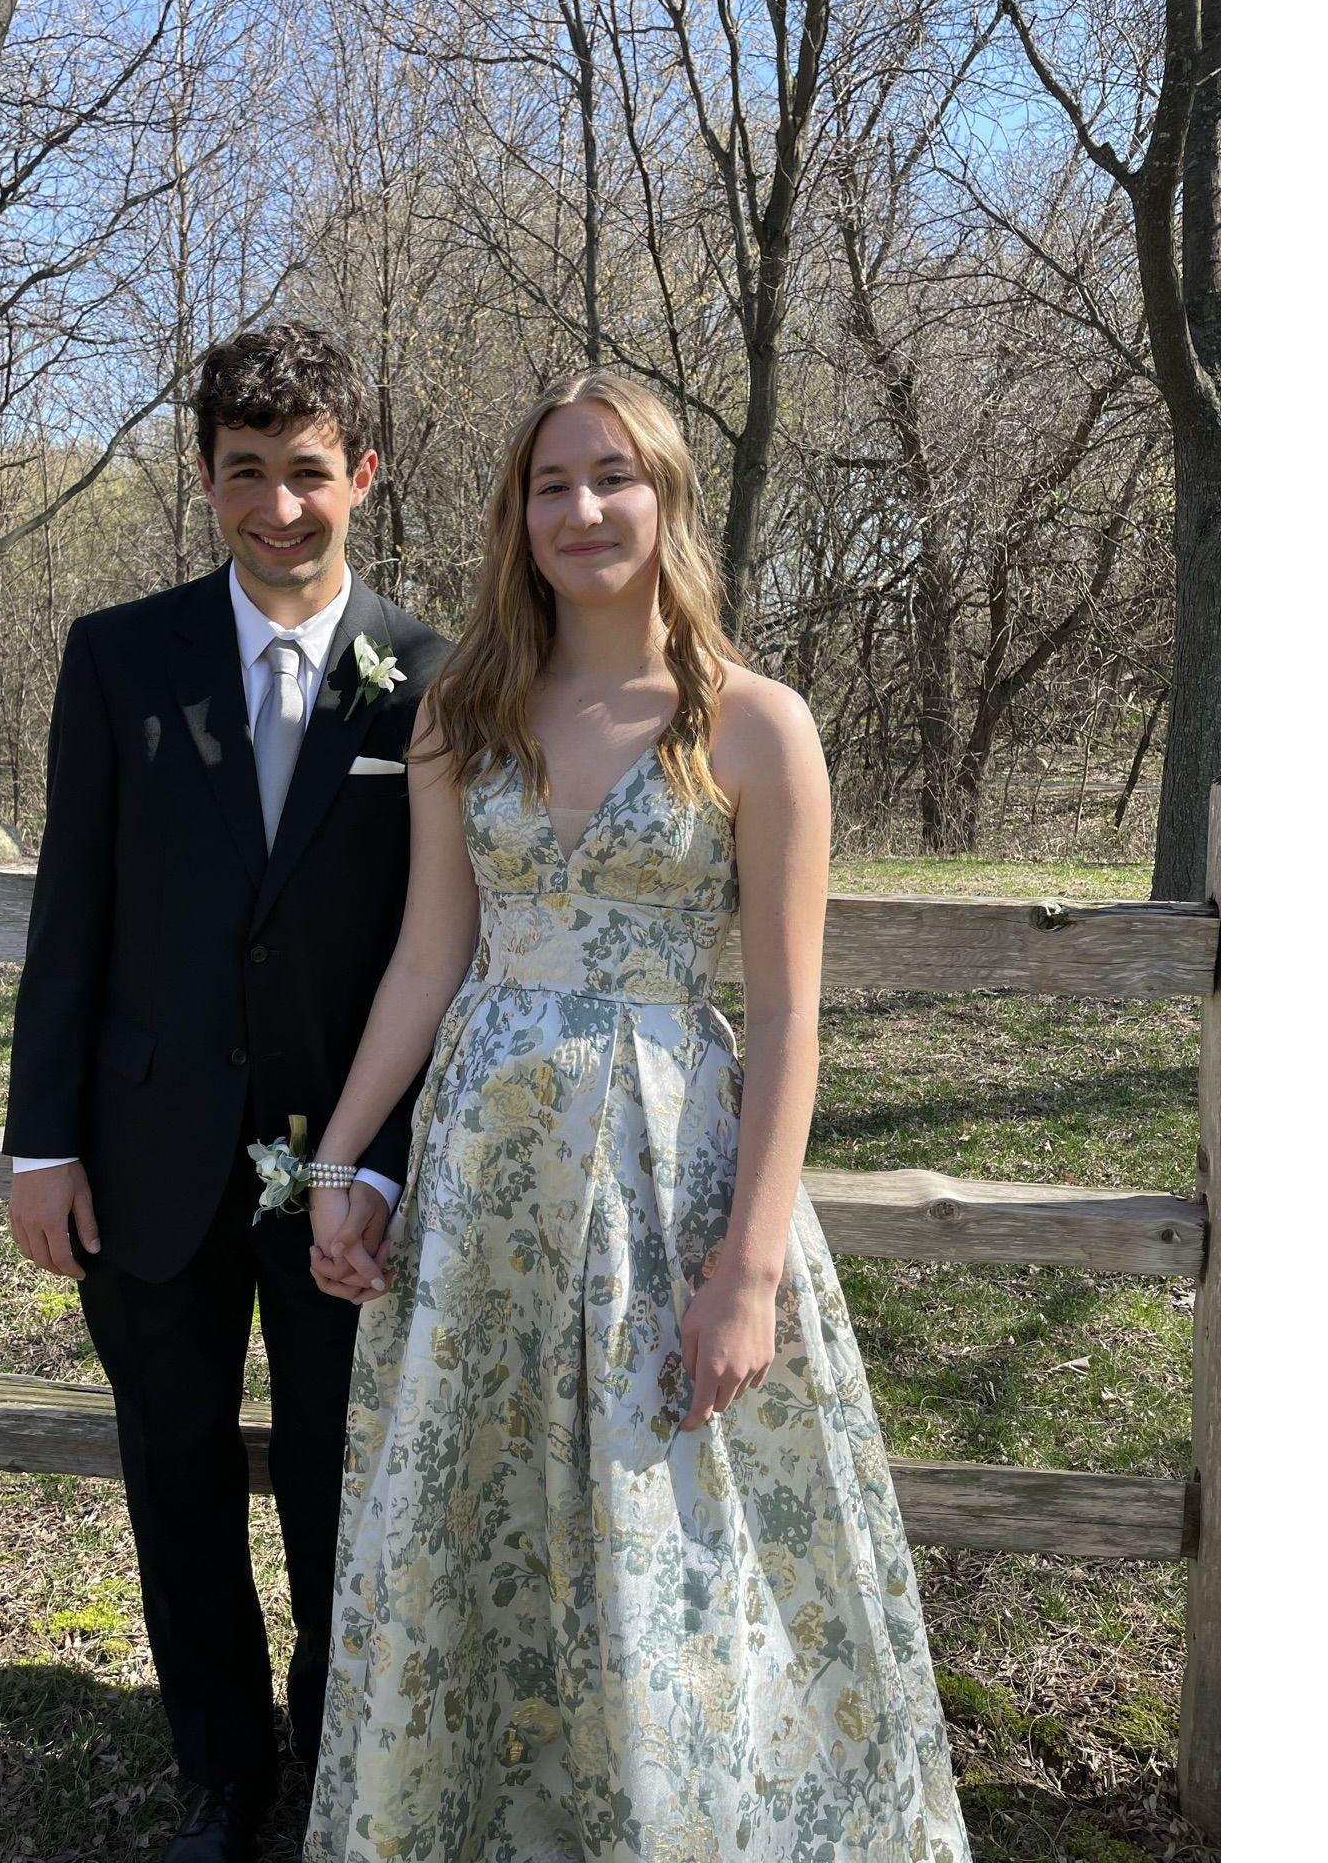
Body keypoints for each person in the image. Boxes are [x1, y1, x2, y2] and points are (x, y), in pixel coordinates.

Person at [297, 372, 973, 1860]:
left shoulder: (754, 725)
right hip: (486, 1180)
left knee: (673, 1515)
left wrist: (749, 1271)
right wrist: (344, 1160)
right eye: (551, 484)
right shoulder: (460, 716)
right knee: (486, 1503)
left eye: (613, 478)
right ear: (516, 516)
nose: (581, 509)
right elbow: (429, 956)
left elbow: (792, 1014)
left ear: (665, 498)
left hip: (674, 1174)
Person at [1, 322, 453, 1863]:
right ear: (206, 479)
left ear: (363, 475)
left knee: (344, 1486)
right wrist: (44, 1141)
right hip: (145, 1158)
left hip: (349, 1174)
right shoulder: (118, 658)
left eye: (309, 474)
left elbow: (446, 946)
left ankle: (337, 1756)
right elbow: (74, 911)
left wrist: (379, 1156)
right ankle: (220, 1770)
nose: (280, 508)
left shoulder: (441, 684)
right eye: (246, 474)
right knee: (174, 1472)